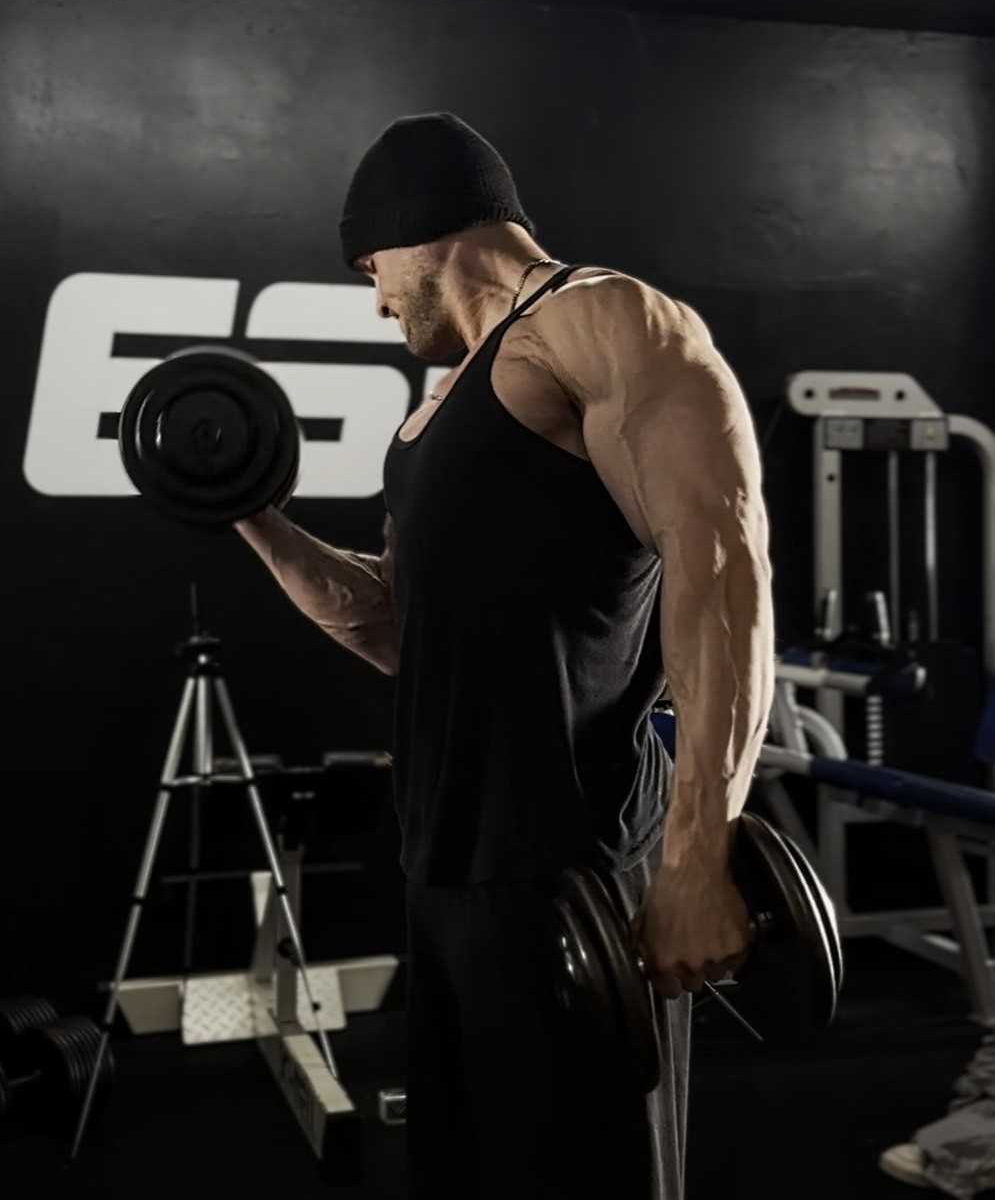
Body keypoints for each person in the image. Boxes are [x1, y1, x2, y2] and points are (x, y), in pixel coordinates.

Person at [235, 111, 775, 1199]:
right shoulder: (435, 415)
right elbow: (402, 631)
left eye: (370, 268)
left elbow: (721, 567)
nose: (374, 299)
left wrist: (694, 857)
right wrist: (251, 513)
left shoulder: (603, 320)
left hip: (572, 869)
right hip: (447, 871)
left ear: (422, 227)